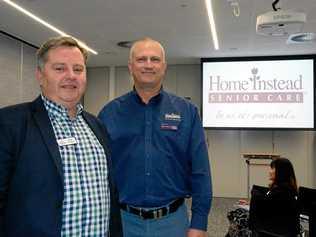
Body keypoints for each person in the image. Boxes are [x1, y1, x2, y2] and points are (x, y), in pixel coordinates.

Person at [0, 36, 122, 237]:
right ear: (40, 75)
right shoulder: (10, 123)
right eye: (59, 68)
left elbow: (111, 197)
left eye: (78, 69)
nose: (71, 76)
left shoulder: (97, 126)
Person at [98, 37, 212, 237]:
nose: (148, 65)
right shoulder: (109, 113)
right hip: (123, 222)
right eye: (142, 59)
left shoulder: (187, 112)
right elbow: (98, 172)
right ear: (131, 66)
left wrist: (199, 223)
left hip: (173, 221)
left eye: (155, 59)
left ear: (164, 66)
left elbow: (200, 170)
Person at [226, 157, 298, 237]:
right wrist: (250, 203)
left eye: (272, 169)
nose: (269, 172)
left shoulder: (282, 191)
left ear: (281, 172)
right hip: (276, 227)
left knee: (237, 218)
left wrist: (255, 202)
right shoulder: (287, 189)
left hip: (271, 229)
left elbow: (269, 209)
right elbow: (271, 205)